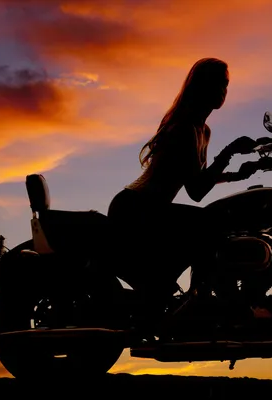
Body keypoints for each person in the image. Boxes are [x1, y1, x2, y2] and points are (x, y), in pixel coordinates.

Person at [107, 57, 258, 310]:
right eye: (218, 83)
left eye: (226, 84)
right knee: (211, 224)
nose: (223, 90)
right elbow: (196, 191)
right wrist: (229, 152)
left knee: (208, 225)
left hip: (151, 208)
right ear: (202, 85)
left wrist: (238, 175)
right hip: (137, 208)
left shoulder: (203, 130)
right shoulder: (185, 128)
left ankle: (181, 297)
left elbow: (197, 180)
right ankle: (198, 301)